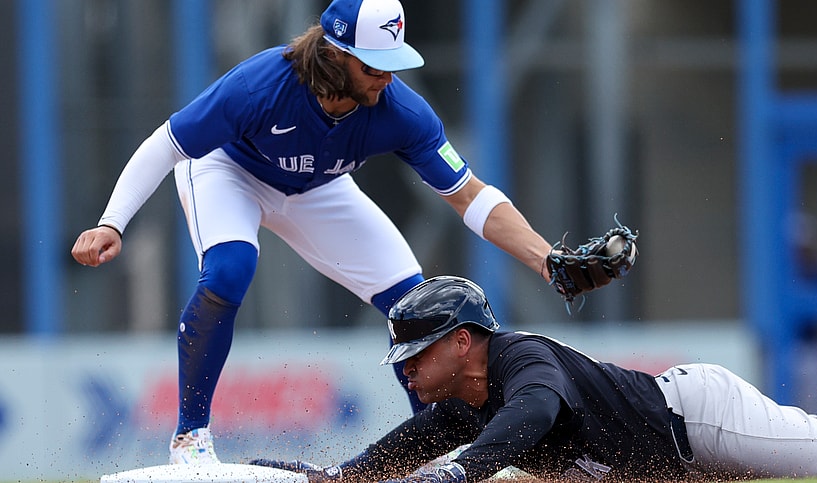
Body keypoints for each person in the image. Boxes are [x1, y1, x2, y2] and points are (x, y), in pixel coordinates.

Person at [70, 0, 554, 466]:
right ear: (334, 54)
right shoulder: (260, 86)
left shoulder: (400, 111)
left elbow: (470, 195)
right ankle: (190, 437)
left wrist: (547, 260)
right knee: (230, 270)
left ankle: (433, 449)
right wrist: (112, 221)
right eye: (372, 66)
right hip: (227, 171)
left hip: (317, 187)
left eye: (393, 64)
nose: (386, 78)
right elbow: (166, 144)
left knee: (415, 305)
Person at [251, 275, 817, 482]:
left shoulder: (523, 359)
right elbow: (409, 447)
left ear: (463, 341)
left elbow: (536, 412)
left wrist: (462, 471)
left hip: (697, 421)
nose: (407, 368)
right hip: (674, 465)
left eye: (418, 351)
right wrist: (341, 476)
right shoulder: (467, 400)